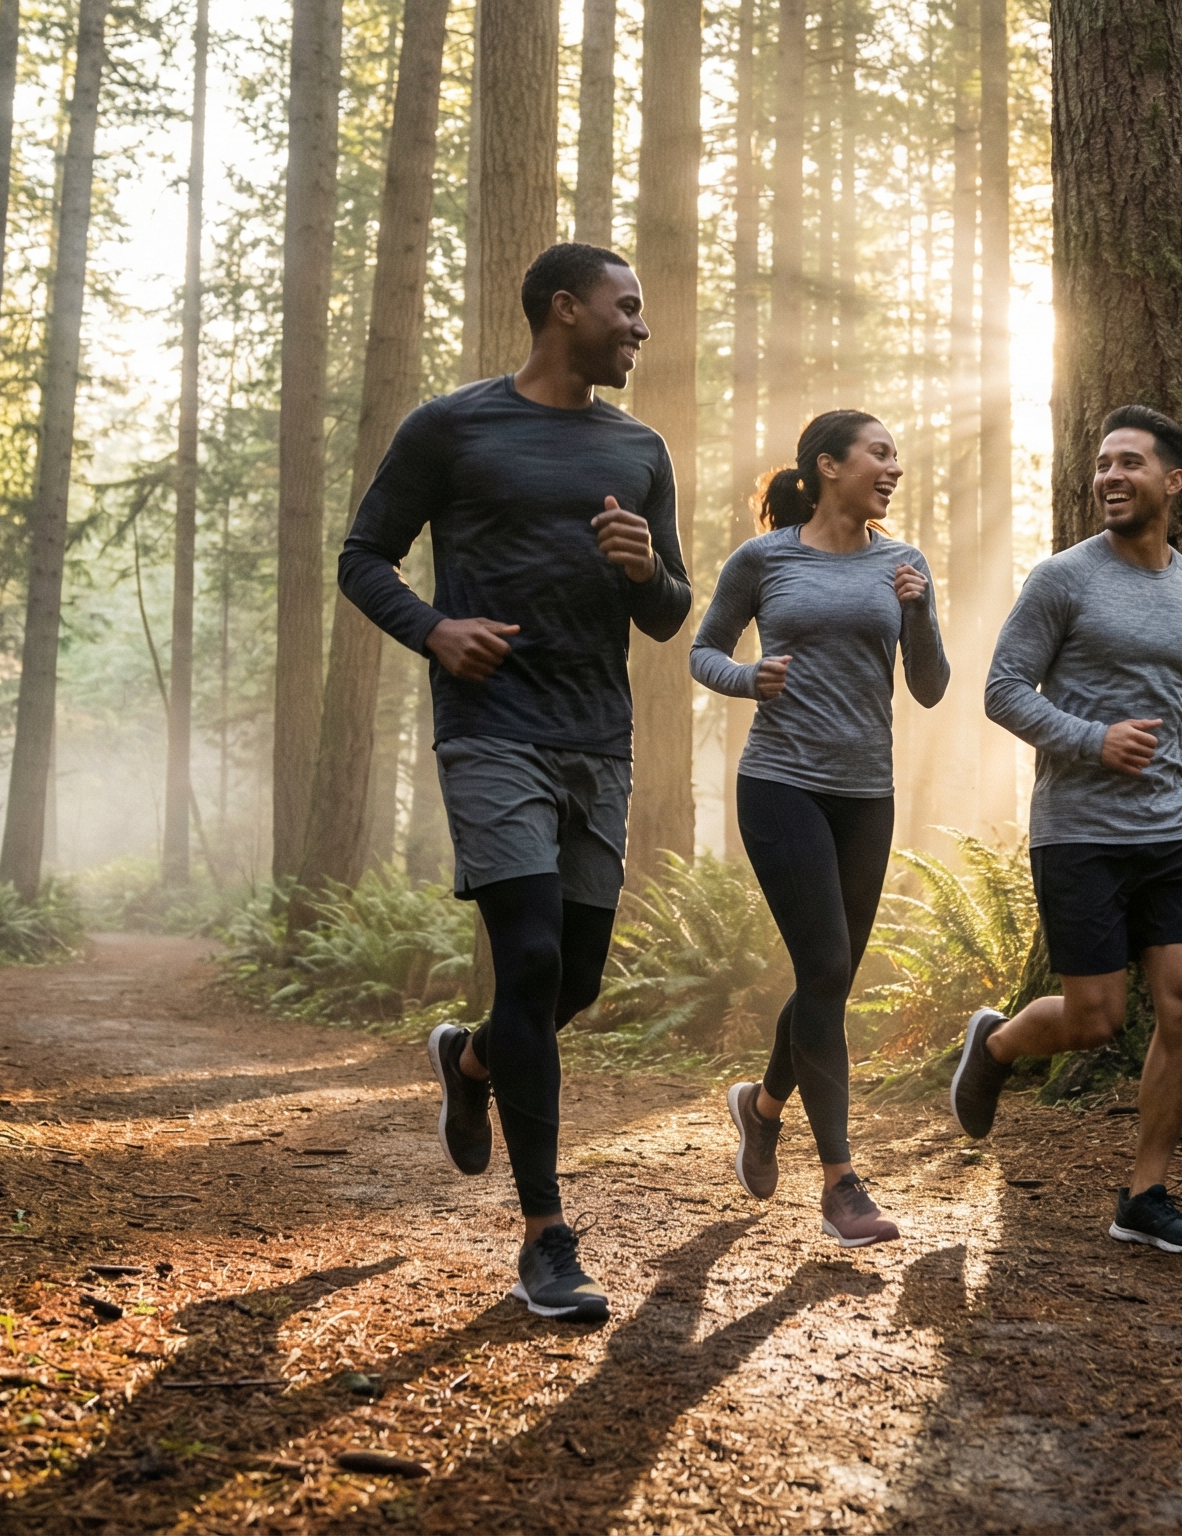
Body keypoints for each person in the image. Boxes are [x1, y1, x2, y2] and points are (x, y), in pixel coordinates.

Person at [335, 243, 692, 1322]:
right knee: (529, 955)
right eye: (626, 308)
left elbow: (671, 613)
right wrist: (435, 631)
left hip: (599, 737)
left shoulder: (640, 448)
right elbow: (362, 557)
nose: (638, 327)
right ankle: (547, 1235)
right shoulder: (453, 427)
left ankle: (473, 1058)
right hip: (493, 733)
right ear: (564, 308)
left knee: (571, 982)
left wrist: (645, 570)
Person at [945, 403, 1182, 1257]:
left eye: (1131, 464)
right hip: (1078, 829)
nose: (1111, 477)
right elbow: (1003, 689)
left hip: (1168, 832)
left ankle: (1144, 1195)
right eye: (1103, 464)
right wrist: (1092, 739)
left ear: (1175, 482)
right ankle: (999, 1043)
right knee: (1094, 1021)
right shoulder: (1063, 579)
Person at [694, 411, 949, 1248]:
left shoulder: (904, 564)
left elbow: (931, 687)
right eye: (879, 454)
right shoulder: (766, 559)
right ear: (829, 466)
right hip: (780, 785)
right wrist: (747, 678)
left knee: (824, 980)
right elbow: (706, 650)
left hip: (864, 793)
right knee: (829, 964)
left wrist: (919, 613)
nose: (893, 468)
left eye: (895, 456)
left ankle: (762, 1109)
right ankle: (841, 1183)